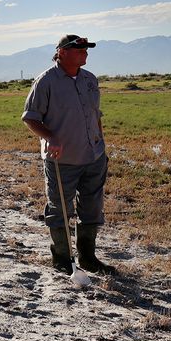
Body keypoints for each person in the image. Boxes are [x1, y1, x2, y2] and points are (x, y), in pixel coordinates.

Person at [21, 34, 115, 276]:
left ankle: (88, 258)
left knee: (92, 208)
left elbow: (95, 116)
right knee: (60, 210)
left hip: (93, 156)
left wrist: (101, 147)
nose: (85, 52)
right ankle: (63, 259)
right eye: (79, 48)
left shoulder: (90, 79)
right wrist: (50, 137)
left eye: (86, 48)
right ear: (62, 52)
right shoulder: (46, 81)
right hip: (62, 159)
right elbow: (30, 117)